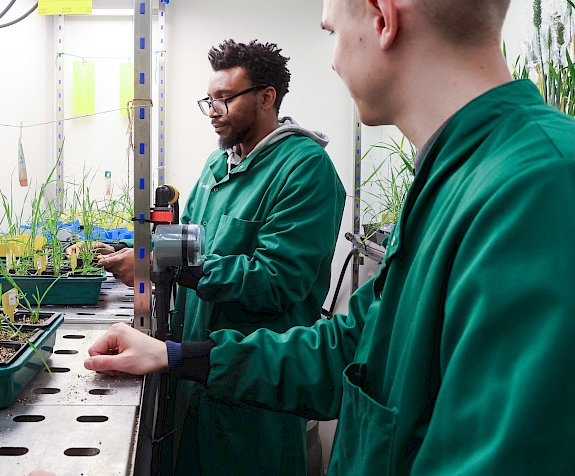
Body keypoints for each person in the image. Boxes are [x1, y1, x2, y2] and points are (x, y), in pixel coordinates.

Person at [84, 0, 575, 474]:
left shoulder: (539, 187)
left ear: (382, 16)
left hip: (252, 423)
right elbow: (351, 348)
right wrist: (174, 352)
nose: (335, 60)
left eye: (331, 31)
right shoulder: (449, 182)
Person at [76, 40, 346, 475]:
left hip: (255, 385)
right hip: (197, 368)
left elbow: (277, 280)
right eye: (209, 100)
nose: (213, 111)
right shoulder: (218, 165)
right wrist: (137, 250)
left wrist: (160, 264)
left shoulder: (304, 169)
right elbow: (189, 241)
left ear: (266, 97)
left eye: (224, 99)